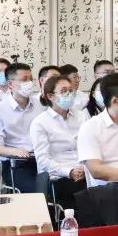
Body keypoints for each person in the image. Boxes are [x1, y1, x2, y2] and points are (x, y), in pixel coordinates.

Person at [30, 74, 87, 208]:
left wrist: (87, 169)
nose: (69, 94)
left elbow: (90, 147)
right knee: (81, 196)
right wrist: (69, 172)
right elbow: (43, 160)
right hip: (59, 176)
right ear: (51, 96)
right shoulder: (40, 123)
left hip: (86, 172)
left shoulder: (82, 116)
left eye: (70, 90)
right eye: (64, 91)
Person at [0, 63, 44, 191]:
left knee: (63, 184)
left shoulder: (40, 106)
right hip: (15, 163)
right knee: (38, 189)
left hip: (42, 159)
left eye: (31, 79)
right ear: (10, 84)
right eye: (24, 79)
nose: (29, 83)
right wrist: (15, 152)